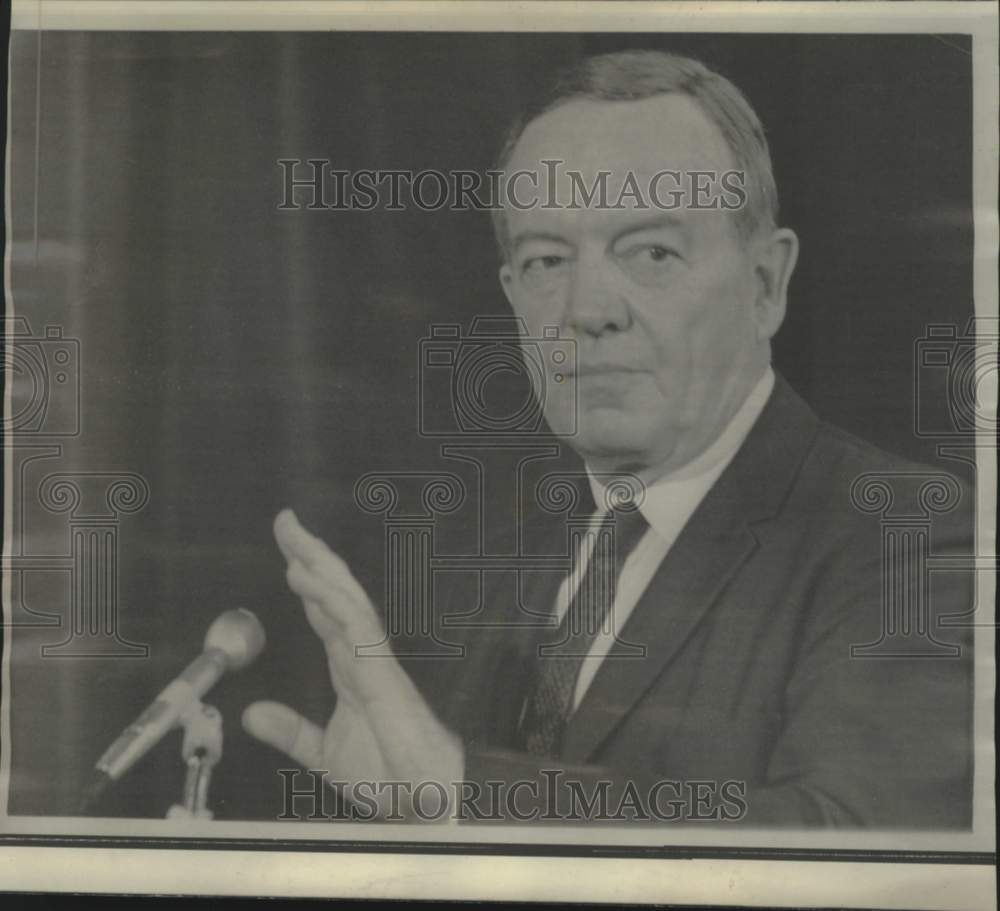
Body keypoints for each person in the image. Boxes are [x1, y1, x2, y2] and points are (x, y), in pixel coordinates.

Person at [242, 50, 973, 827]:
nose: (588, 308)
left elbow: (861, 848)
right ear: (514, 298)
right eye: (548, 260)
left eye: (651, 251)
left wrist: (462, 788)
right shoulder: (484, 548)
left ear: (766, 285)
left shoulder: (904, 535)